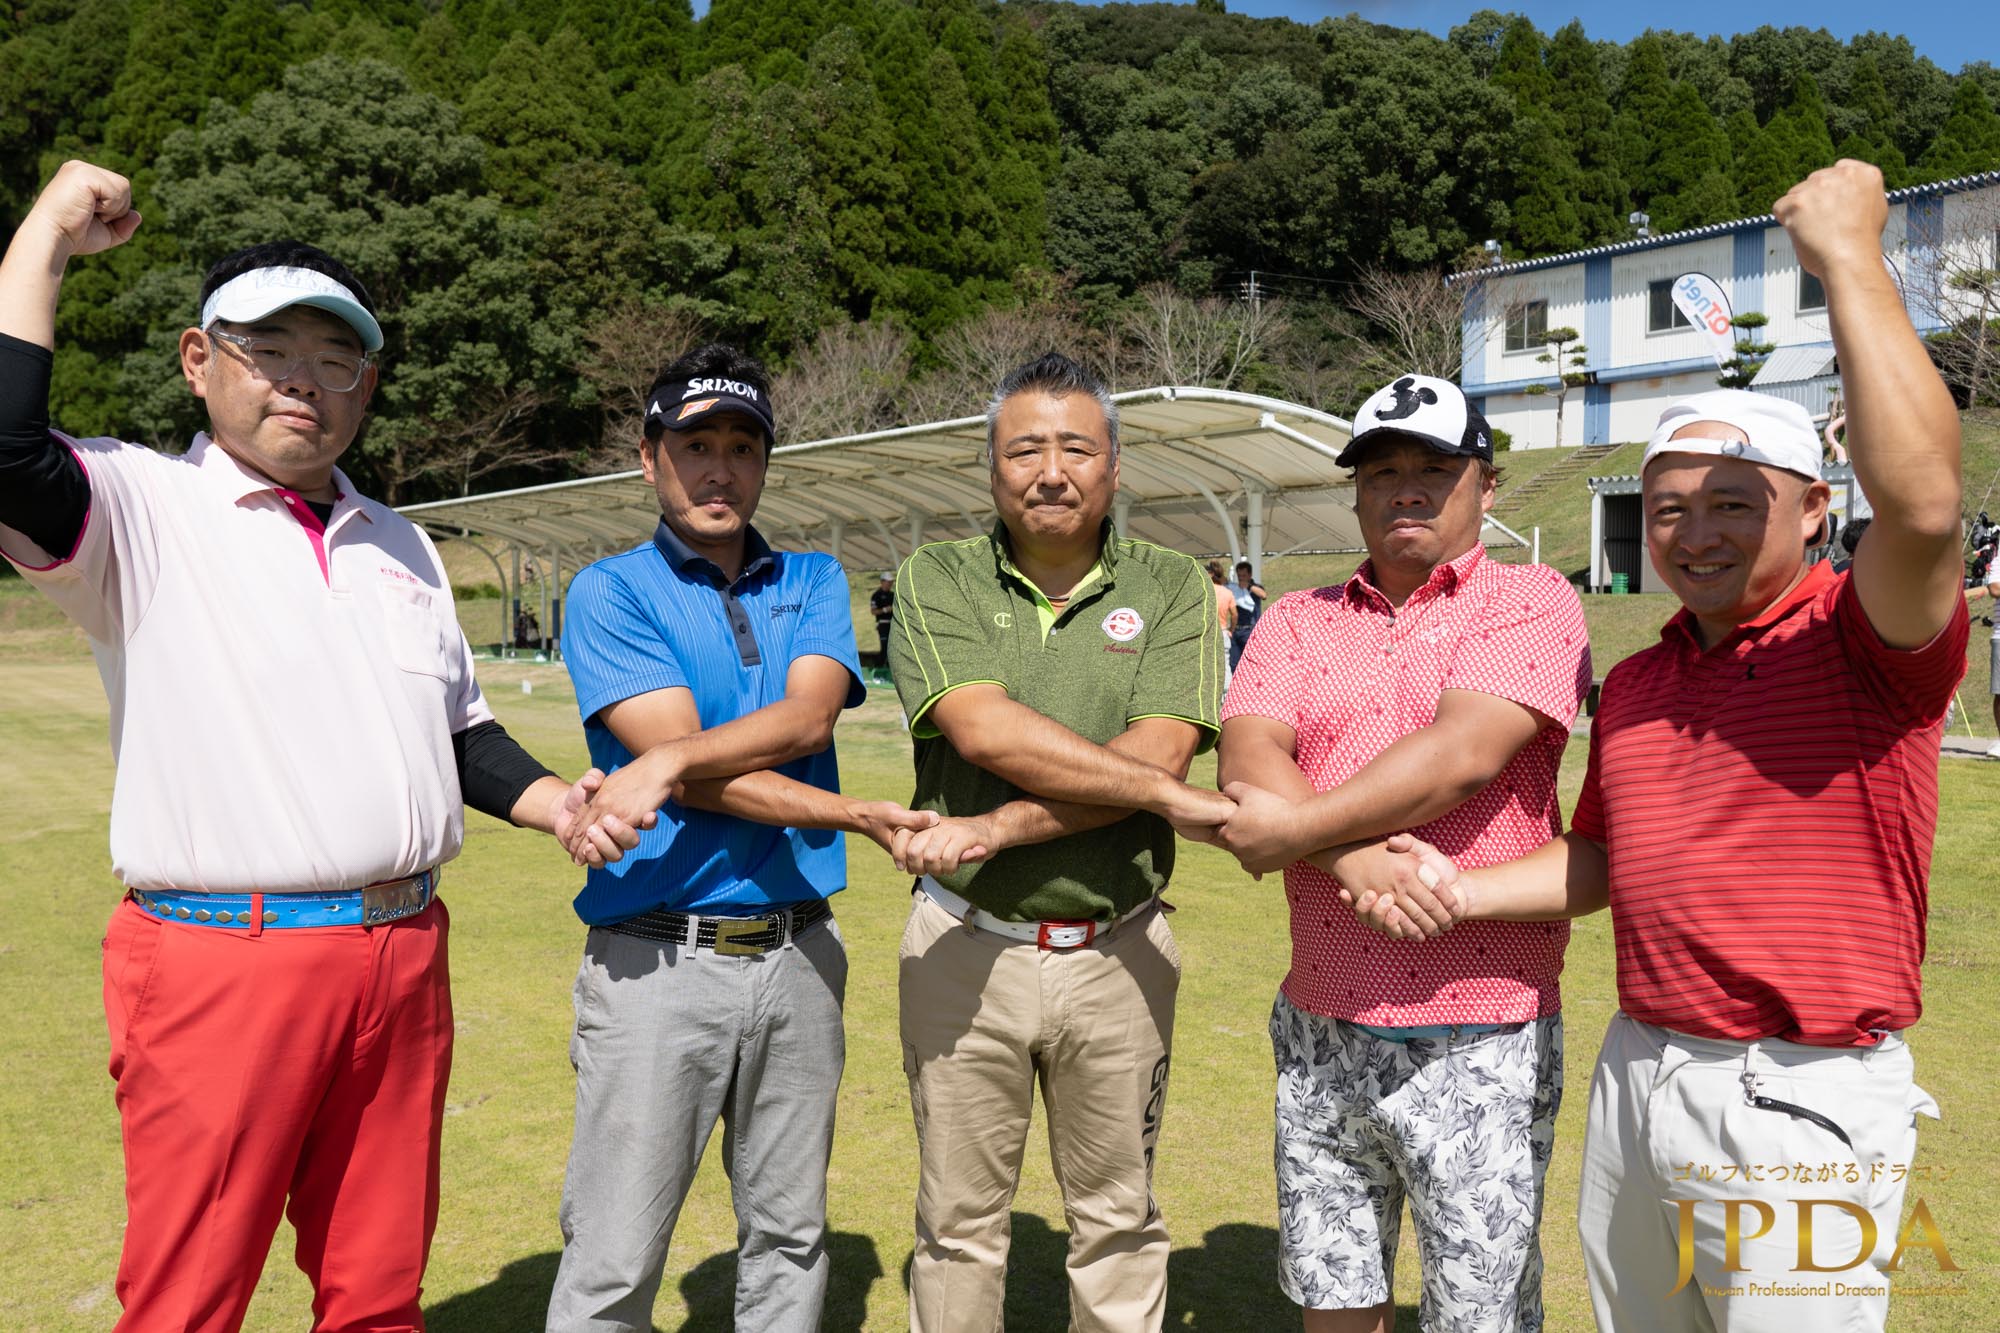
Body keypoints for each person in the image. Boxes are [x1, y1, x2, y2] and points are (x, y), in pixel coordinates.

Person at [0, 160, 637, 1333]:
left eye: (335, 357)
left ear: (367, 383)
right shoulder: (139, 505)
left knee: (377, 1292)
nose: (303, 379)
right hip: (221, 958)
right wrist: (43, 236)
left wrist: (558, 803)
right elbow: (5, 451)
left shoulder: (400, 541)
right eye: (268, 350)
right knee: (189, 1301)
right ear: (199, 360)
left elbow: (454, 731)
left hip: (402, 954)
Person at [1359, 162, 1968, 1333]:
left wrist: (1849, 257)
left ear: (1812, 511)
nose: (1694, 532)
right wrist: (1460, 888)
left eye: (1734, 502)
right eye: (1669, 507)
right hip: (1636, 1070)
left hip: (1796, 1091)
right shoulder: (1638, 681)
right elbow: (1601, 859)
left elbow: (1925, 506)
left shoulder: (1866, 643)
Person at [543, 344, 937, 1332]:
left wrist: (670, 762)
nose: (719, 469)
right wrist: (848, 811)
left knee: (790, 1236)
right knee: (614, 1252)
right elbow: (695, 768)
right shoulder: (610, 589)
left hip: (800, 954)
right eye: (695, 445)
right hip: (656, 962)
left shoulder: (811, 578)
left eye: (742, 447)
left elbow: (805, 721)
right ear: (649, 458)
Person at [1210, 373, 1591, 1333]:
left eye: (1435, 468)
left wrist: (1299, 835)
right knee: (1335, 1303)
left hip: (1481, 1030)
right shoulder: (1298, 617)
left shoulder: (1531, 598)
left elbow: (1461, 757)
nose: (1406, 489)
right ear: (1355, 492)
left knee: (1481, 1314)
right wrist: (1353, 861)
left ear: (1487, 486)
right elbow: (1248, 754)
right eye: (1382, 472)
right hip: (1322, 1021)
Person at [884, 352, 1234, 1333]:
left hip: (1120, 948)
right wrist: (1155, 791)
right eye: (1024, 449)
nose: (1050, 471)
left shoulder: (1172, 584)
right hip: (964, 943)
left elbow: (1161, 751)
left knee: (1119, 1221)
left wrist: (995, 826)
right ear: (990, 468)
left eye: (1076, 448)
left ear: (1114, 465)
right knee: (957, 1225)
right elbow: (984, 732)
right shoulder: (937, 576)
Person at [1229, 559, 1266, 670]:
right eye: (1239, 576)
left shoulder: (1256, 587)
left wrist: (1249, 586)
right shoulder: (1236, 588)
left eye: (1244, 576)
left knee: (1251, 661)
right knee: (1234, 663)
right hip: (1236, 629)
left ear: (1250, 575)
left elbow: (1263, 595)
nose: (1241, 578)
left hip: (1250, 630)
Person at [871, 569, 897, 667]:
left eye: (891, 582)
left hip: (894, 625)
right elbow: (873, 611)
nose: (890, 584)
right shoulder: (876, 595)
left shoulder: (893, 595)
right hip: (883, 624)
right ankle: (878, 668)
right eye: (888, 582)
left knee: (894, 649)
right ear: (882, 582)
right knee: (885, 648)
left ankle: (890, 669)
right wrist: (885, 610)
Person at [1208, 557, 1238, 636]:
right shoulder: (1228, 592)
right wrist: (1231, 630)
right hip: (1222, 631)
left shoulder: (1204, 591)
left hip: (1207, 632)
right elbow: (1234, 614)